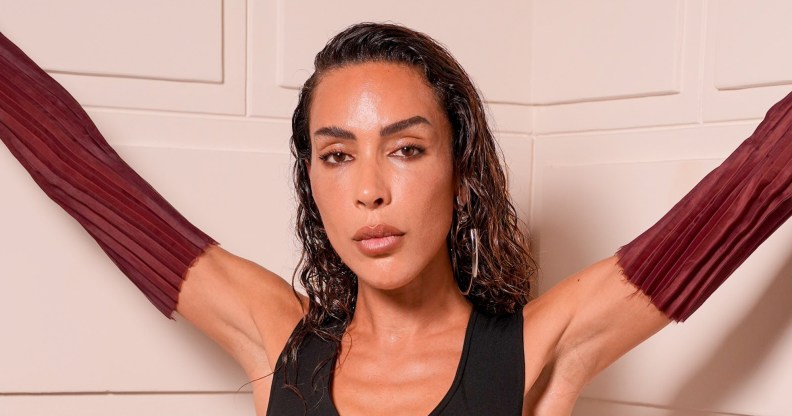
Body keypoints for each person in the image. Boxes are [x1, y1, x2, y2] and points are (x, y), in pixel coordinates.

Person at [1, 23, 790, 415]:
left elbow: (757, 183)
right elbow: (83, 175)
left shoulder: (536, 347)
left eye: (406, 150)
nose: (369, 191)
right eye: (337, 156)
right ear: (311, 180)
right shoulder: (279, 342)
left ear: (460, 173)